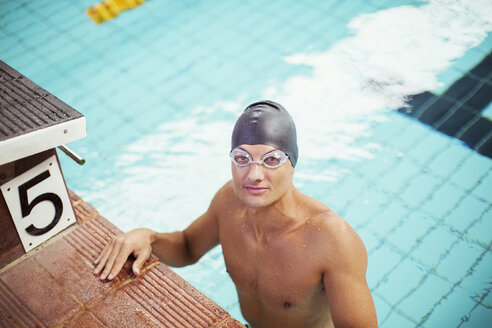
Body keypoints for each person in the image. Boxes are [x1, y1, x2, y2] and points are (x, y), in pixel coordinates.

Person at [93, 100, 378, 328]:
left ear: (292, 164)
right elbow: (188, 248)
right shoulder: (228, 201)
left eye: (271, 160)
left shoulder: (331, 240)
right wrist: (149, 237)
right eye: (242, 158)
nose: (254, 174)